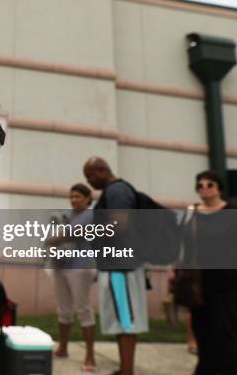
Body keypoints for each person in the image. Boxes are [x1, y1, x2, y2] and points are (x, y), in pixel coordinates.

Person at [83, 157, 148, 375]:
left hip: (122, 267)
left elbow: (118, 224)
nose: (89, 182)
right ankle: (124, 369)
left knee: (126, 321)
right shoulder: (113, 191)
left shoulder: (117, 191)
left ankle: (127, 371)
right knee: (121, 320)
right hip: (116, 265)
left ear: (101, 171)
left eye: (90, 176)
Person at [182, 171, 237, 375]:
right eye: (200, 185)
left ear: (219, 187)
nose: (205, 188)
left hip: (228, 280)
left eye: (210, 184)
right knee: (203, 328)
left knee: (227, 329)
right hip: (199, 280)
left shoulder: (232, 211)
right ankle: (206, 367)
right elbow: (186, 246)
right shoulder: (192, 213)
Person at [45, 183, 96, 374]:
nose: (74, 199)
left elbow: (67, 234)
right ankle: (62, 348)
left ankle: (90, 356)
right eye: (72, 196)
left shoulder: (90, 215)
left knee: (83, 309)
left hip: (80, 267)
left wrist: (51, 239)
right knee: (63, 309)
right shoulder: (66, 214)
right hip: (59, 265)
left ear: (88, 198)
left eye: (78, 197)